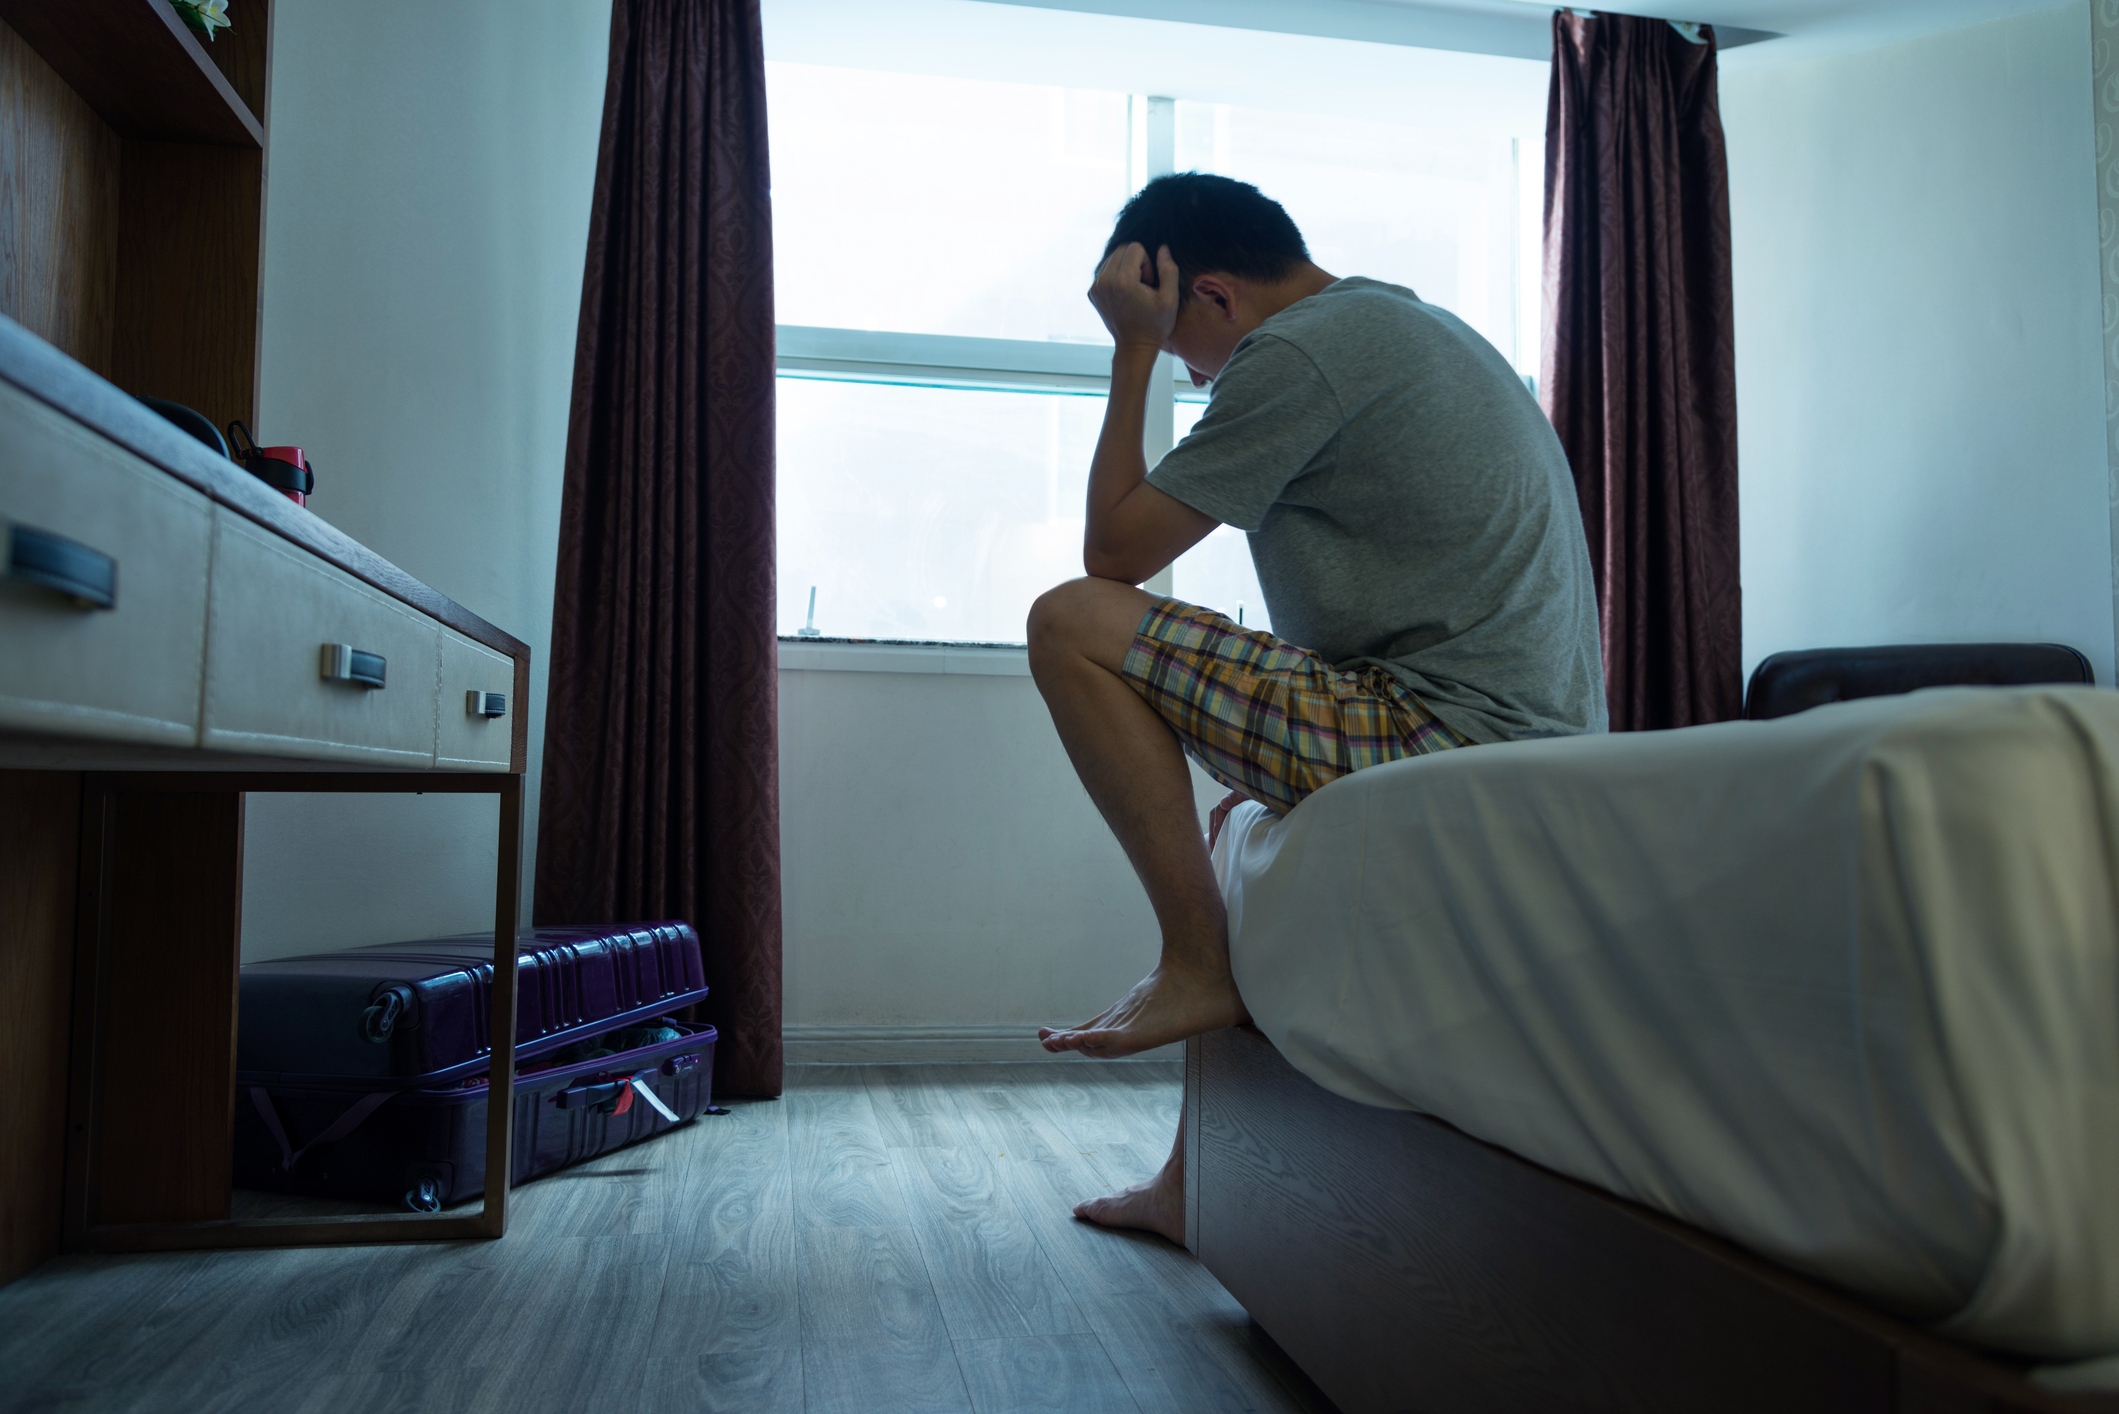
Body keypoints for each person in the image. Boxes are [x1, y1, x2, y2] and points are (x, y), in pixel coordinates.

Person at [1024, 173, 1607, 1242]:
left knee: (1070, 623)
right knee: (1234, 819)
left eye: (1190, 350)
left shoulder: (1294, 352)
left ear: (1209, 294)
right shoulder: (1394, 322)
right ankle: (1193, 1178)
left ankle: (1193, 963)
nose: (1203, 381)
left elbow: (1113, 555)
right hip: (1507, 739)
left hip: (1445, 738)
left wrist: (1130, 351)